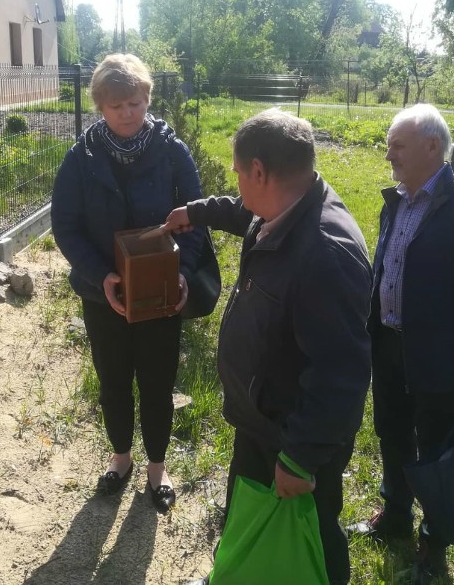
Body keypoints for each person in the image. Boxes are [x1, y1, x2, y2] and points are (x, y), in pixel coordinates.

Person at [167, 109, 373, 585]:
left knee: (312, 533)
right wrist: (195, 213)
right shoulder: (285, 207)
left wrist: (299, 458)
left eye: (239, 173)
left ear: (259, 171)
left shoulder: (325, 253)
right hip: (260, 417)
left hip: (292, 433)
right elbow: (242, 213)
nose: (238, 183)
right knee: (247, 510)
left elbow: (340, 373)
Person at [347, 104, 454, 585]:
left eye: (398, 144)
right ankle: (394, 514)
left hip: (442, 361)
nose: (389, 153)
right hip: (390, 347)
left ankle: (433, 548)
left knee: (439, 450)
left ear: (431, 147)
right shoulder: (395, 201)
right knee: (392, 433)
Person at [50, 53, 204, 513]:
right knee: (113, 379)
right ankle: (121, 459)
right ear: (101, 107)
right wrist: (103, 276)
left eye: (135, 102)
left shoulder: (172, 151)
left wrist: (183, 272)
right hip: (106, 295)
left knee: (158, 382)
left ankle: (158, 469)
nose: (128, 114)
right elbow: (66, 225)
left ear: (147, 99)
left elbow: (195, 218)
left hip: (160, 294)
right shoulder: (82, 157)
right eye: (117, 106)